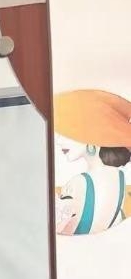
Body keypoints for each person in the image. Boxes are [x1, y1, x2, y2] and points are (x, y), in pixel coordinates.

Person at [54, 90, 131, 235]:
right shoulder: (119, 177)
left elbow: (59, 235)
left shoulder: (78, 183)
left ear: (91, 136)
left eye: (68, 132)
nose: (59, 141)